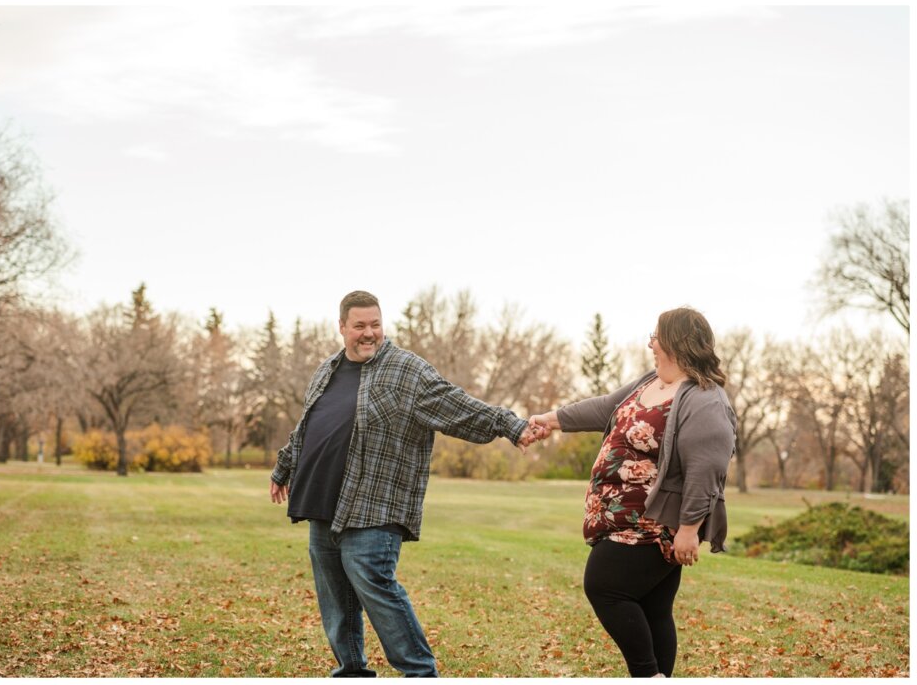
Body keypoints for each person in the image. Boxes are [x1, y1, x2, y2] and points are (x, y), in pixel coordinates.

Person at [269, 290, 539, 678]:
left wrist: (511, 425)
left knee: (374, 584)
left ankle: (419, 672)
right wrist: (283, 467)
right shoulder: (326, 370)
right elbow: (308, 427)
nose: (369, 333)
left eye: (375, 324)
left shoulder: (405, 370)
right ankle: (352, 671)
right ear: (342, 327)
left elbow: (456, 405)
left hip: (376, 503)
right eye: (359, 325)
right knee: (335, 600)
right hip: (323, 502)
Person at [528, 307, 736, 678]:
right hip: (621, 517)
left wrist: (689, 529)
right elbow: (606, 407)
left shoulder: (705, 399)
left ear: (676, 341)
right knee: (655, 608)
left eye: (656, 336)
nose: (651, 343)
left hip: (652, 523)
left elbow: (707, 470)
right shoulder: (649, 382)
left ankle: (648, 675)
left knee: (603, 585)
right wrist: (553, 419)